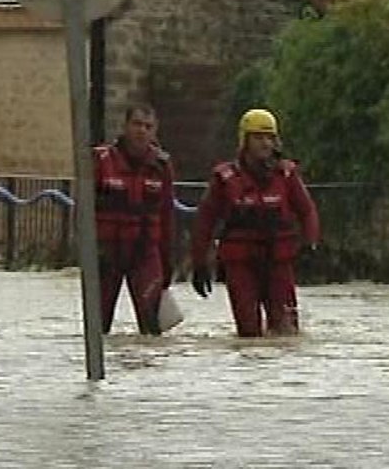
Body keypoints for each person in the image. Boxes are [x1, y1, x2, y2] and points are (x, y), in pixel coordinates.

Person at [190, 108, 321, 337]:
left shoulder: (287, 176)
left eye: (270, 137)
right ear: (245, 140)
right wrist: (200, 263)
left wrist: (310, 245)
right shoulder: (225, 179)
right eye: (258, 137)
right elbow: (205, 222)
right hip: (241, 265)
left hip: (279, 263)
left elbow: (307, 211)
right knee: (249, 333)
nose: (265, 144)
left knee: (287, 332)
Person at [93, 103, 176, 335]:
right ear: (125, 126)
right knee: (98, 327)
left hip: (145, 252)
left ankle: (146, 369)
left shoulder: (162, 166)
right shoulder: (101, 160)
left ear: (155, 131)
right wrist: (86, 253)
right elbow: (84, 210)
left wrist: (168, 261)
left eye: (148, 126)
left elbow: (168, 215)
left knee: (152, 330)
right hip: (106, 252)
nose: (142, 131)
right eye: (137, 124)